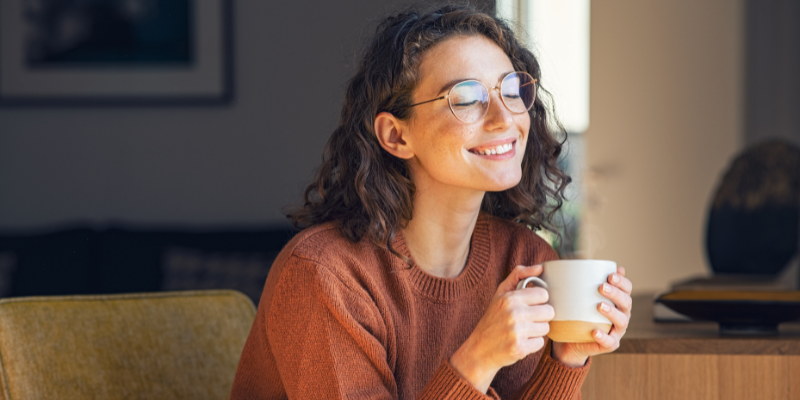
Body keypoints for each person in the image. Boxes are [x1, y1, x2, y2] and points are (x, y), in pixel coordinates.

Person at [231, 5, 633, 400]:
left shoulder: (524, 258)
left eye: (511, 90)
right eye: (466, 99)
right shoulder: (326, 277)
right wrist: (477, 361)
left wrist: (566, 360)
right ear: (396, 136)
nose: (504, 118)